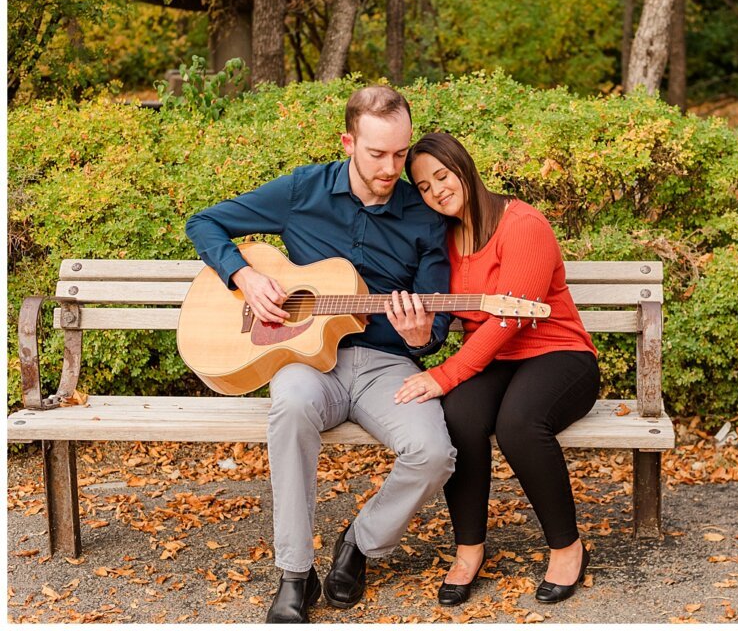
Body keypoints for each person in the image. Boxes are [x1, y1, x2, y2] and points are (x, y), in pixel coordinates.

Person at [185, 86, 457, 624]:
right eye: (377, 154)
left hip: (386, 364)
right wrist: (244, 274)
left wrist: (422, 333)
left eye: (400, 154)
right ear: (348, 141)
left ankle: (359, 542)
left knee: (433, 454)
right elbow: (204, 222)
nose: (391, 167)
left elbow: (437, 326)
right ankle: (294, 572)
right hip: (308, 361)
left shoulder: (423, 218)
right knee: (289, 409)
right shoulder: (302, 190)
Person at [397, 132, 600, 605]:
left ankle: (567, 547)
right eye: (424, 187)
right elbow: (442, 318)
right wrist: (419, 339)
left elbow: (510, 317)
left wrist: (443, 375)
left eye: (442, 176)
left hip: (560, 355)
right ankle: (469, 549)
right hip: (495, 360)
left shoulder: (523, 224)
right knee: (459, 417)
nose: (436, 191)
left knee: (519, 424)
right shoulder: (443, 238)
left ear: (463, 167)